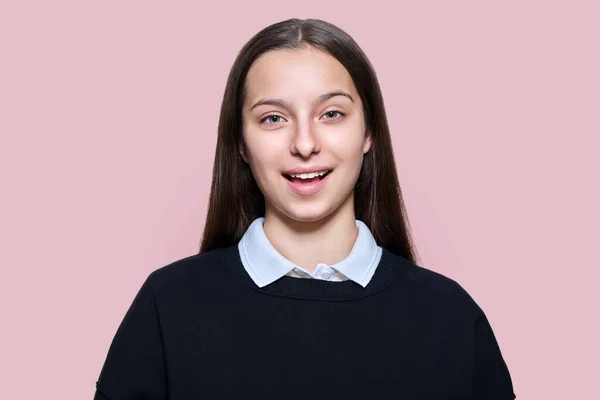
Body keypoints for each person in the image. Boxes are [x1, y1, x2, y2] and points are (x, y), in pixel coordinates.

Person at [94, 18, 516, 399]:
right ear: (240, 144)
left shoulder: (452, 319)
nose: (304, 143)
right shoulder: (167, 307)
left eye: (331, 113)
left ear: (368, 132)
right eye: (273, 118)